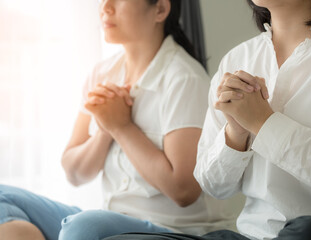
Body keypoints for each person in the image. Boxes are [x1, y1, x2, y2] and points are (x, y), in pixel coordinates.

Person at [103, 0, 311, 240]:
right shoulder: (238, 58)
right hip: (249, 234)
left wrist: (263, 123)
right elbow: (212, 184)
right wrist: (236, 134)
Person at [0, 0, 240, 240]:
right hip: (109, 223)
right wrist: (106, 129)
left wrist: (122, 127)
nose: (105, 6)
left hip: (176, 231)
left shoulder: (184, 79)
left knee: (81, 228)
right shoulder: (102, 73)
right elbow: (74, 172)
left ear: (160, 10)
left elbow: (183, 191)